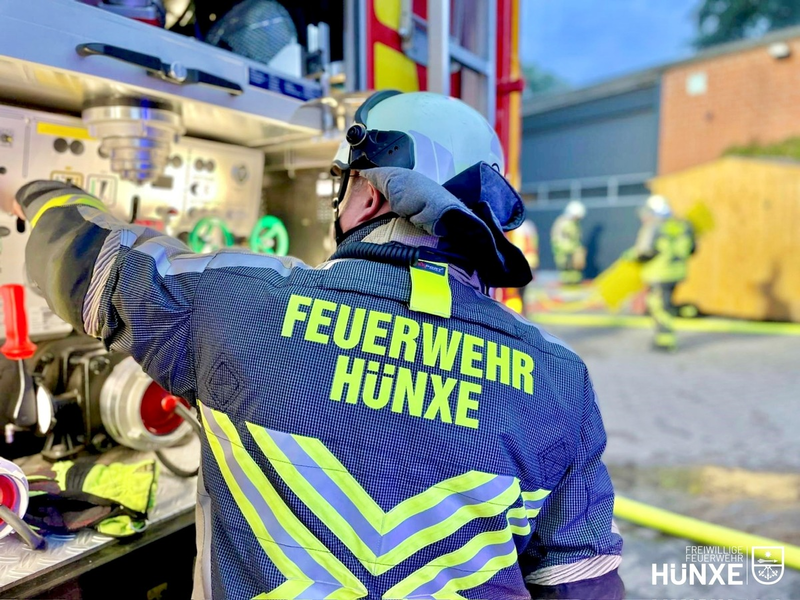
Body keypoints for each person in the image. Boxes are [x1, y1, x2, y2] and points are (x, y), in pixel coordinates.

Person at [10, 91, 623, 599]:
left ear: (372, 194)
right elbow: (582, 585)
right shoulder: (559, 380)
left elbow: (81, 259)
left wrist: (40, 191)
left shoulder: (232, 304)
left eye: (343, 185)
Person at [631, 195, 695, 351]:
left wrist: (633, 258)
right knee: (666, 303)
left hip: (659, 274)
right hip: (677, 272)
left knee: (659, 307)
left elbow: (644, 252)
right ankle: (674, 324)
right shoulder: (684, 226)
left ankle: (665, 340)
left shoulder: (654, 227)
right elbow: (692, 249)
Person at [550, 200, 586, 284]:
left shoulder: (575, 224)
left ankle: (574, 282)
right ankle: (568, 283)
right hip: (565, 252)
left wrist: (578, 249)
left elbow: (576, 239)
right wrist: (570, 250)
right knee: (566, 269)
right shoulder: (563, 223)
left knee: (575, 270)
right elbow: (558, 239)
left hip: (572, 252)